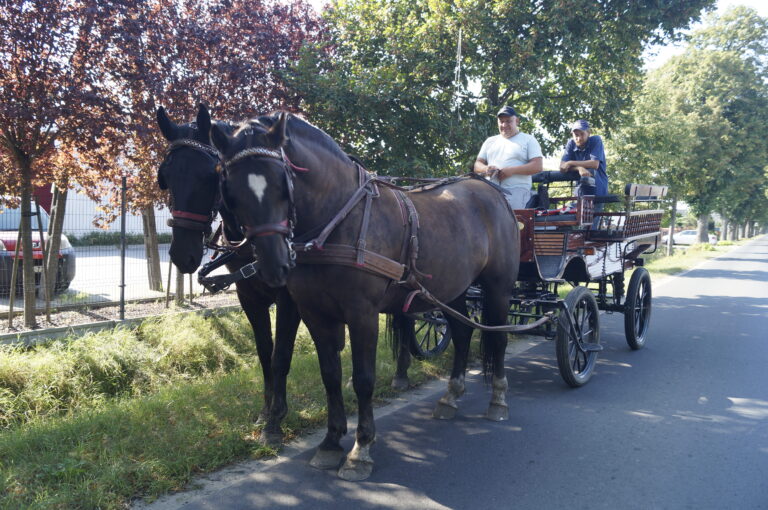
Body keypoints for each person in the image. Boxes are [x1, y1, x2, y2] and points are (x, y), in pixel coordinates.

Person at [474, 105, 543, 209]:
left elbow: (537, 166)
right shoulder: (490, 141)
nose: (504, 124)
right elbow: (477, 165)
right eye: (501, 121)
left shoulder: (529, 140)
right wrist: (486, 168)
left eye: (508, 121)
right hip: (491, 190)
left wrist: (512, 170)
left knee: (505, 214)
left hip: (517, 190)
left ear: (517, 121)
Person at [559, 119, 608, 199]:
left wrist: (570, 163)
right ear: (572, 135)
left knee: (594, 211)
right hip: (580, 191)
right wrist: (579, 168)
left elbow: (594, 164)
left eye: (582, 134)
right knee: (575, 210)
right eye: (576, 135)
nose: (579, 138)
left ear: (588, 133)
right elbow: (562, 167)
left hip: (598, 190)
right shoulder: (571, 144)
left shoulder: (596, 140)